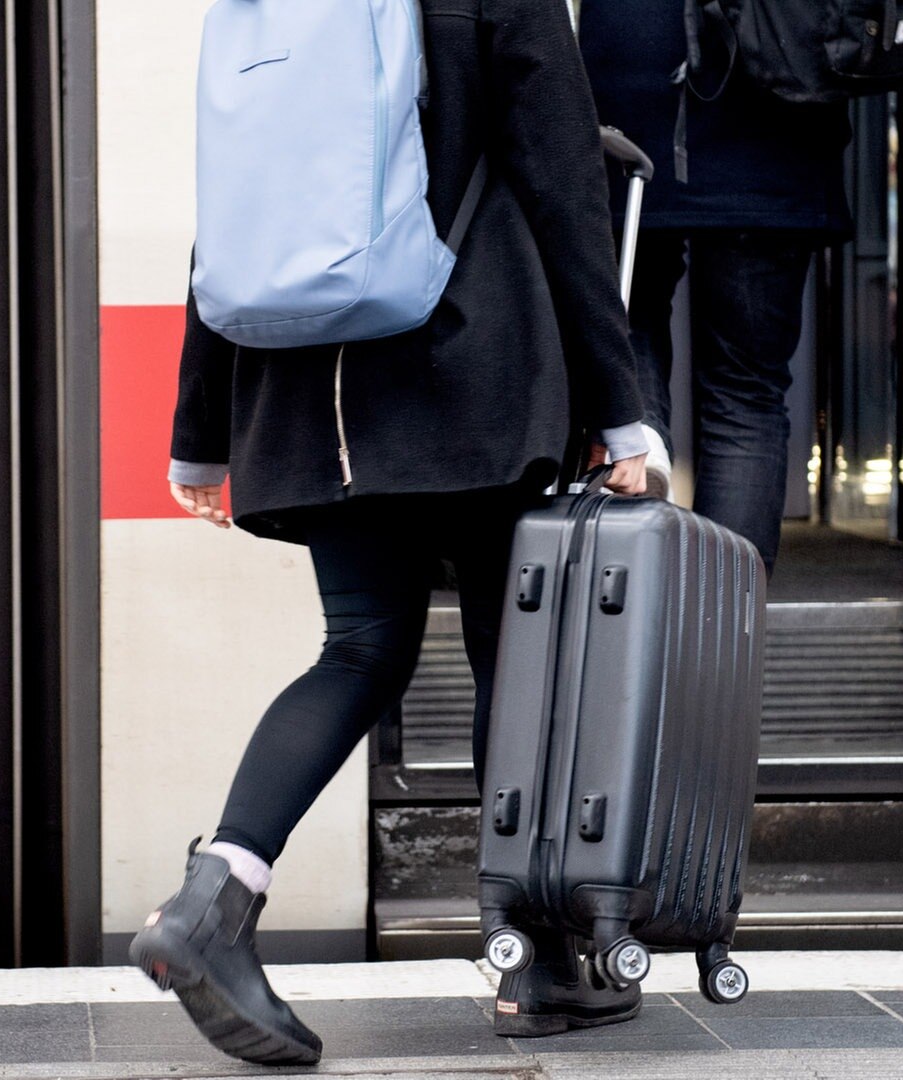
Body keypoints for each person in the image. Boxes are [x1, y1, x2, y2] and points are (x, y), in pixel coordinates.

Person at [128, 0, 651, 1065]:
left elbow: (235, 205)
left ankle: (212, 900)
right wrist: (619, 405)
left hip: (304, 391)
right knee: (521, 654)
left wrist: (200, 430)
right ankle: (535, 964)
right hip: (469, 369)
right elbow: (562, 182)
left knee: (362, 649)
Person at [579, 1, 852, 573]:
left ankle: (642, 453)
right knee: (746, 394)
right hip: (776, 128)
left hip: (629, 115)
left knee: (632, 326)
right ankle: (723, 624)